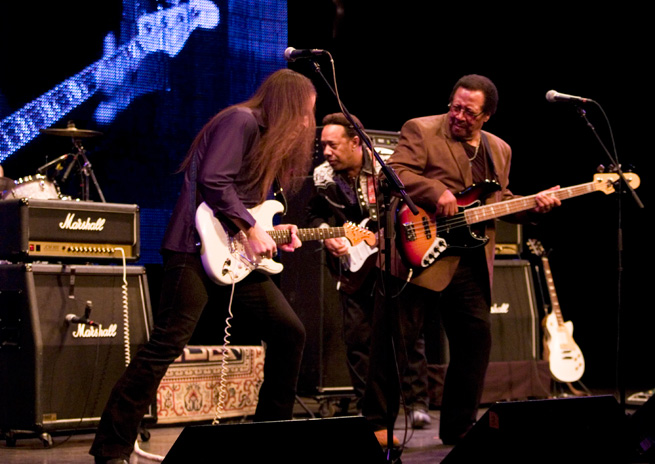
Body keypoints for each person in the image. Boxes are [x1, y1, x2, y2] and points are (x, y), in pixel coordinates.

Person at [90, 69, 317, 464]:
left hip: (236, 257)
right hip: (194, 250)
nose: (305, 123)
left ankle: (270, 437)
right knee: (166, 344)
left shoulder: (266, 143)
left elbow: (245, 204)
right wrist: (249, 227)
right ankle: (111, 447)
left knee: (289, 333)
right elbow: (214, 181)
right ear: (287, 105)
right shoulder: (240, 120)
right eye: (304, 112)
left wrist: (272, 231)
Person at [364, 74, 560, 446]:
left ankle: (458, 425)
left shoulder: (499, 149)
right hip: (419, 253)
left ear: (487, 116)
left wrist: (534, 208)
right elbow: (396, 174)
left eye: (468, 112)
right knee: (395, 344)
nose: (457, 115)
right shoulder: (421, 129)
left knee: (475, 342)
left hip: (469, 261)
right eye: (455, 106)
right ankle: (377, 422)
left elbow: (496, 203)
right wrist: (436, 190)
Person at [307, 113, 431, 444]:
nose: (327, 153)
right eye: (323, 146)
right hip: (352, 266)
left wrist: (390, 238)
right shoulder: (322, 176)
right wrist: (324, 234)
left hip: (391, 262)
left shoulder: (387, 169)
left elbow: (414, 208)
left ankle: (416, 400)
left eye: (333, 145)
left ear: (356, 142)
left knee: (405, 335)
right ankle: (369, 411)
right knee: (358, 339)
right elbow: (313, 213)